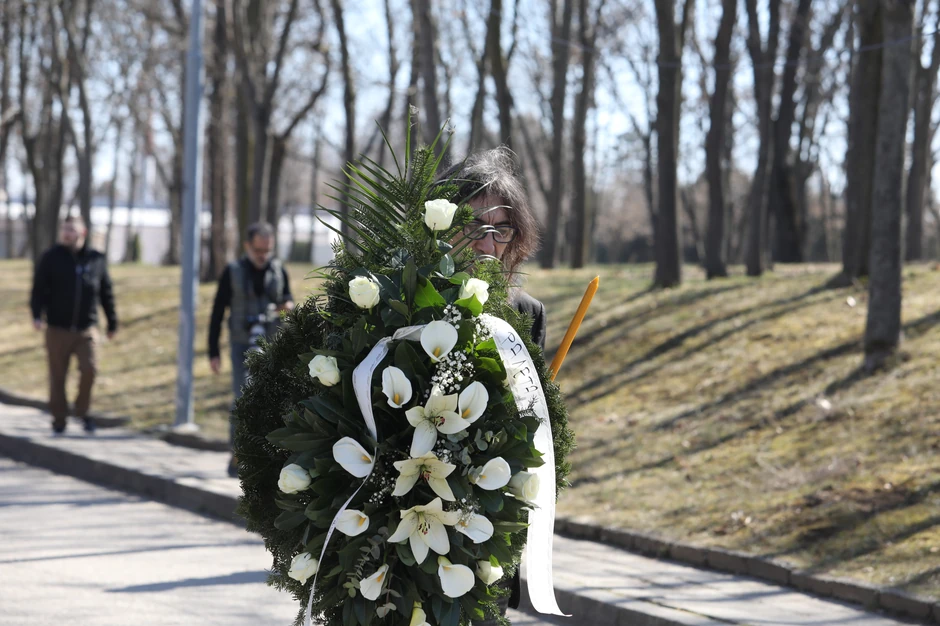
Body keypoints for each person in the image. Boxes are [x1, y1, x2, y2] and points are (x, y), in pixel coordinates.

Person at [440, 146, 545, 625]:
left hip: (489, 526)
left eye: (500, 229)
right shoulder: (406, 302)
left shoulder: (526, 314)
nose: (486, 244)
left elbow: (534, 427)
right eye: (472, 226)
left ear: (515, 237)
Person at [208, 222, 294, 476]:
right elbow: (217, 312)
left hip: (271, 344)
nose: (262, 256)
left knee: (272, 400)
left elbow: (288, 298)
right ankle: (237, 455)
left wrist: (286, 306)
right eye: (258, 250)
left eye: (267, 251)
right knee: (242, 399)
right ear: (247, 246)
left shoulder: (279, 270)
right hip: (241, 345)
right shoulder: (233, 272)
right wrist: (213, 351)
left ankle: (269, 458)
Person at [30, 215, 118, 435]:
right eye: (64, 229)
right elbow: (38, 288)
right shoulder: (51, 257)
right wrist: (36, 314)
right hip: (57, 328)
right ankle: (59, 419)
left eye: (71, 229)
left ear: (82, 233)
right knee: (58, 376)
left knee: (90, 369)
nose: (67, 233)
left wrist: (112, 322)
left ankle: (83, 411)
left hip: (86, 328)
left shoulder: (95, 259)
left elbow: (106, 292)